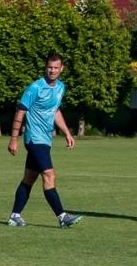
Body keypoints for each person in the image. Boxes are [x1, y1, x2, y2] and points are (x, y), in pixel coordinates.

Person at [6, 53, 82, 228]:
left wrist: (67, 133)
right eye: (50, 67)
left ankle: (14, 216)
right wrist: (14, 139)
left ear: (61, 69)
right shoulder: (35, 88)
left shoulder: (61, 87)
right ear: (45, 67)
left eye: (56, 68)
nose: (52, 71)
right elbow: (20, 112)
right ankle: (62, 216)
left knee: (29, 177)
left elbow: (55, 111)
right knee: (49, 175)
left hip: (45, 140)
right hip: (34, 139)